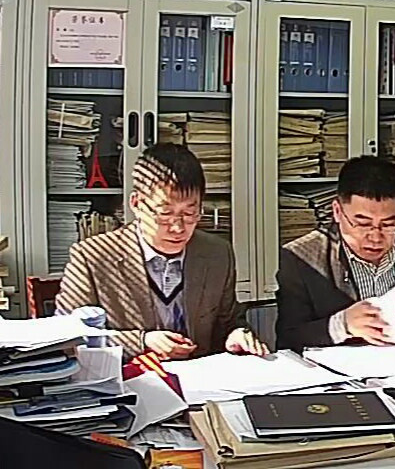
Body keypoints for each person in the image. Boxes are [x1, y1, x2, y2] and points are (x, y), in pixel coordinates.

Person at [55, 143, 266, 360]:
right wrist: (141, 341)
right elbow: (68, 339)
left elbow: (228, 321)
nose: (178, 228)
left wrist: (236, 334)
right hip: (129, 376)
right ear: (136, 204)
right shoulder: (92, 257)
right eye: (165, 213)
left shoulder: (217, 253)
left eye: (190, 213)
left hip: (199, 376)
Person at [274, 156, 395, 350]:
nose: (375, 237)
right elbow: (288, 339)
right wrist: (341, 325)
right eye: (363, 224)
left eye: (388, 224)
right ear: (337, 211)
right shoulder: (300, 258)